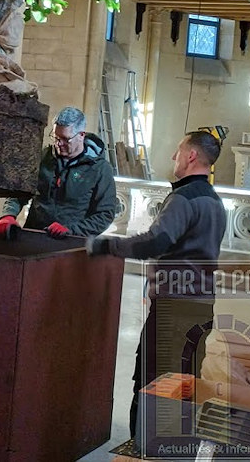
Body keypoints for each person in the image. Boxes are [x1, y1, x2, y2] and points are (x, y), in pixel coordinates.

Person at [87, 130, 227, 440]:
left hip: (174, 311)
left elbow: (155, 241)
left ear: (191, 156)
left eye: (179, 150)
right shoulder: (215, 201)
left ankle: (142, 451)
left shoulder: (184, 198)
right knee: (183, 383)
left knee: (152, 383)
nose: (174, 157)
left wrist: (107, 245)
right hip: (201, 308)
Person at [0, 106, 116, 239]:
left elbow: (105, 215)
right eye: (56, 137)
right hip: (34, 236)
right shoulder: (42, 157)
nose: (59, 144)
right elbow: (19, 192)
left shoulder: (100, 169)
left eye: (65, 139)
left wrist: (71, 230)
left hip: (70, 243)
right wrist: (8, 214)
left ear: (81, 135)